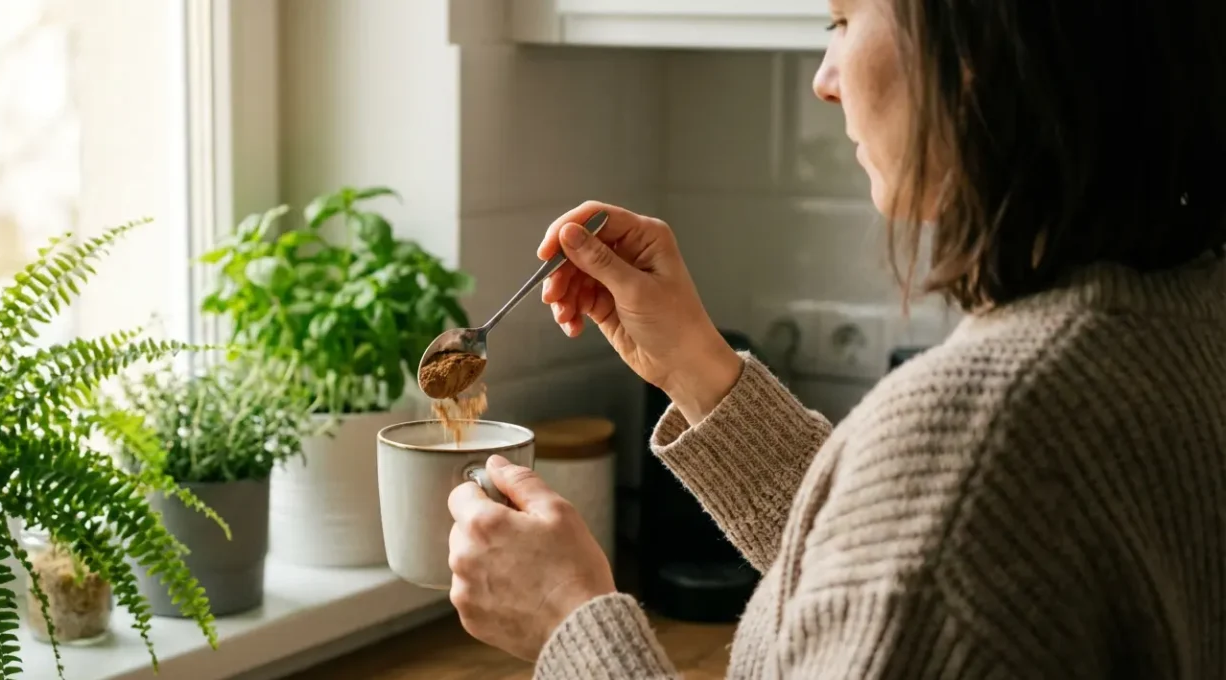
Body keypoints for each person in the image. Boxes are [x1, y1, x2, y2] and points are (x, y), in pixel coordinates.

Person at [446, 0, 1226, 676]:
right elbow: (909, 564)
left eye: (844, 20)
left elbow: (945, 522)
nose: (824, 78)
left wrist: (570, 624)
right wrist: (696, 366)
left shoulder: (983, 435)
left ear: (981, 50)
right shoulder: (1187, 311)